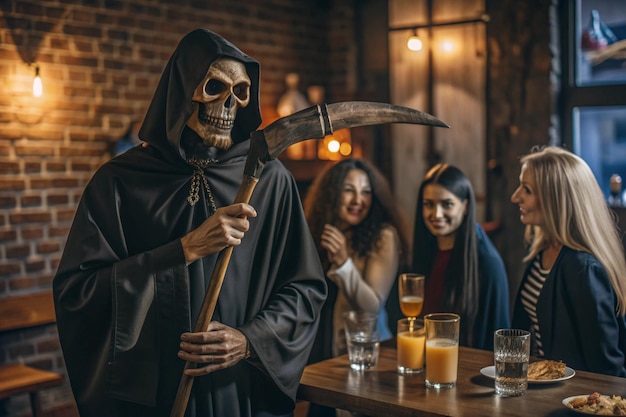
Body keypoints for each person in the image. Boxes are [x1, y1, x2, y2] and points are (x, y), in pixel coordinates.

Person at [52, 28, 327, 417]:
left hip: (238, 389)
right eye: (214, 88)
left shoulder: (268, 180)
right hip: (157, 392)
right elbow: (78, 293)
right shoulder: (119, 182)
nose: (228, 105)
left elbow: (304, 289)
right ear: (183, 90)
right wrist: (184, 250)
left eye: (240, 93)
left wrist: (249, 340)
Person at [510, 146, 626, 377]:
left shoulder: (583, 269)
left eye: (527, 189)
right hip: (543, 391)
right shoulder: (543, 249)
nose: (515, 197)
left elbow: (607, 369)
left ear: (556, 199)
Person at [303, 158, 410, 375]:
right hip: (321, 353)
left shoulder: (383, 236)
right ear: (332, 194)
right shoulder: (318, 232)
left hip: (364, 357)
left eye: (366, 192)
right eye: (349, 190)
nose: (358, 200)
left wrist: (343, 264)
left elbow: (371, 307)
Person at [413, 163, 510, 350]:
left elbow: (498, 339)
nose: (436, 214)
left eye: (447, 204)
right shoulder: (427, 249)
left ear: (465, 206)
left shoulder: (487, 262)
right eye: (428, 204)